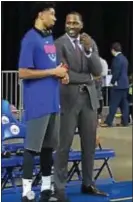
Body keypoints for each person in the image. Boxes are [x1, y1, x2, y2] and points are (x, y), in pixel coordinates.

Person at [53, 12, 107, 202]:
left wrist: (90, 51)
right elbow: (64, 72)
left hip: (90, 101)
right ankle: (59, 189)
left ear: (81, 24)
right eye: (69, 22)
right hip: (69, 100)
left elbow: (98, 71)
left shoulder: (89, 42)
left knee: (89, 145)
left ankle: (88, 183)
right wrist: (88, 78)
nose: (72, 25)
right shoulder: (59, 44)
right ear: (65, 24)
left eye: (75, 22)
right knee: (64, 146)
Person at [18, 2, 68, 202]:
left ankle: (46, 190)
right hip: (37, 104)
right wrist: (52, 72)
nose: (55, 19)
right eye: (53, 14)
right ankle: (27, 193)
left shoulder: (49, 39)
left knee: (48, 148)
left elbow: (51, 66)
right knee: (32, 148)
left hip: (52, 102)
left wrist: (61, 74)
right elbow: (23, 72)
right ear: (41, 14)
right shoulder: (29, 39)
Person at [101, 42, 129, 127]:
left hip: (118, 85)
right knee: (124, 104)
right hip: (125, 84)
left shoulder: (117, 59)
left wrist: (112, 82)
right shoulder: (124, 58)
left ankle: (108, 121)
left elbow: (116, 73)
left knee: (113, 104)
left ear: (113, 50)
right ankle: (125, 121)